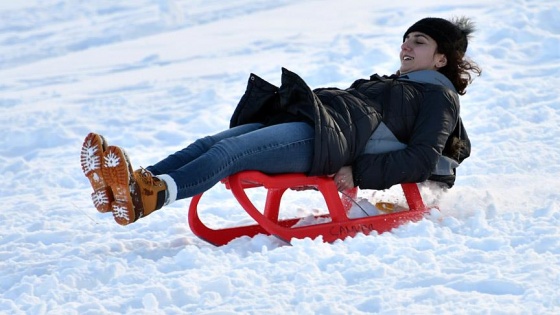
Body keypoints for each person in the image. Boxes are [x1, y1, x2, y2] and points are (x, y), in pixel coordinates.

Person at [80, 17, 481, 226]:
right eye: (406, 38)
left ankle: (154, 194)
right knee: (208, 143)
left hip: (329, 144)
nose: (406, 45)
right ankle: (132, 185)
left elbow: (423, 158)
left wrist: (356, 169)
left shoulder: (437, 97)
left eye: (419, 41)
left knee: (229, 152)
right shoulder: (394, 85)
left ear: (441, 58)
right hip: (319, 124)